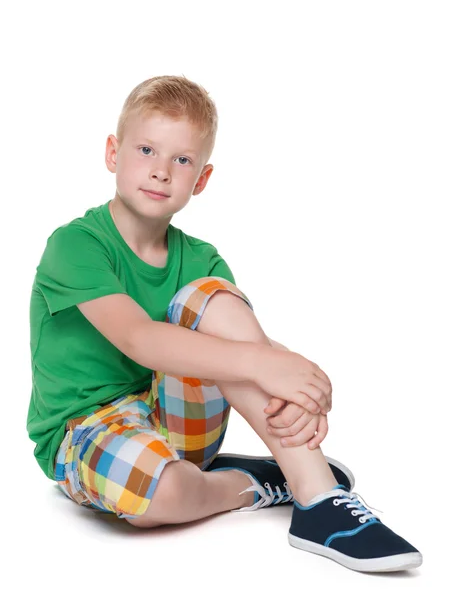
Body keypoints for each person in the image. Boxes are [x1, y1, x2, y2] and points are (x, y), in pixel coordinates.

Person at [27, 75, 422, 574]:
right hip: (85, 429)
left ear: (202, 179)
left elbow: (241, 343)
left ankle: (316, 495)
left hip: (176, 418)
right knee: (161, 498)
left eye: (182, 160)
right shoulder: (76, 244)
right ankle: (252, 484)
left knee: (209, 300)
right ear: (112, 152)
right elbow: (140, 339)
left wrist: (299, 386)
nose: (162, 172)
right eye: (147, 149)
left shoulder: (200, 258)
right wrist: (269, 366)